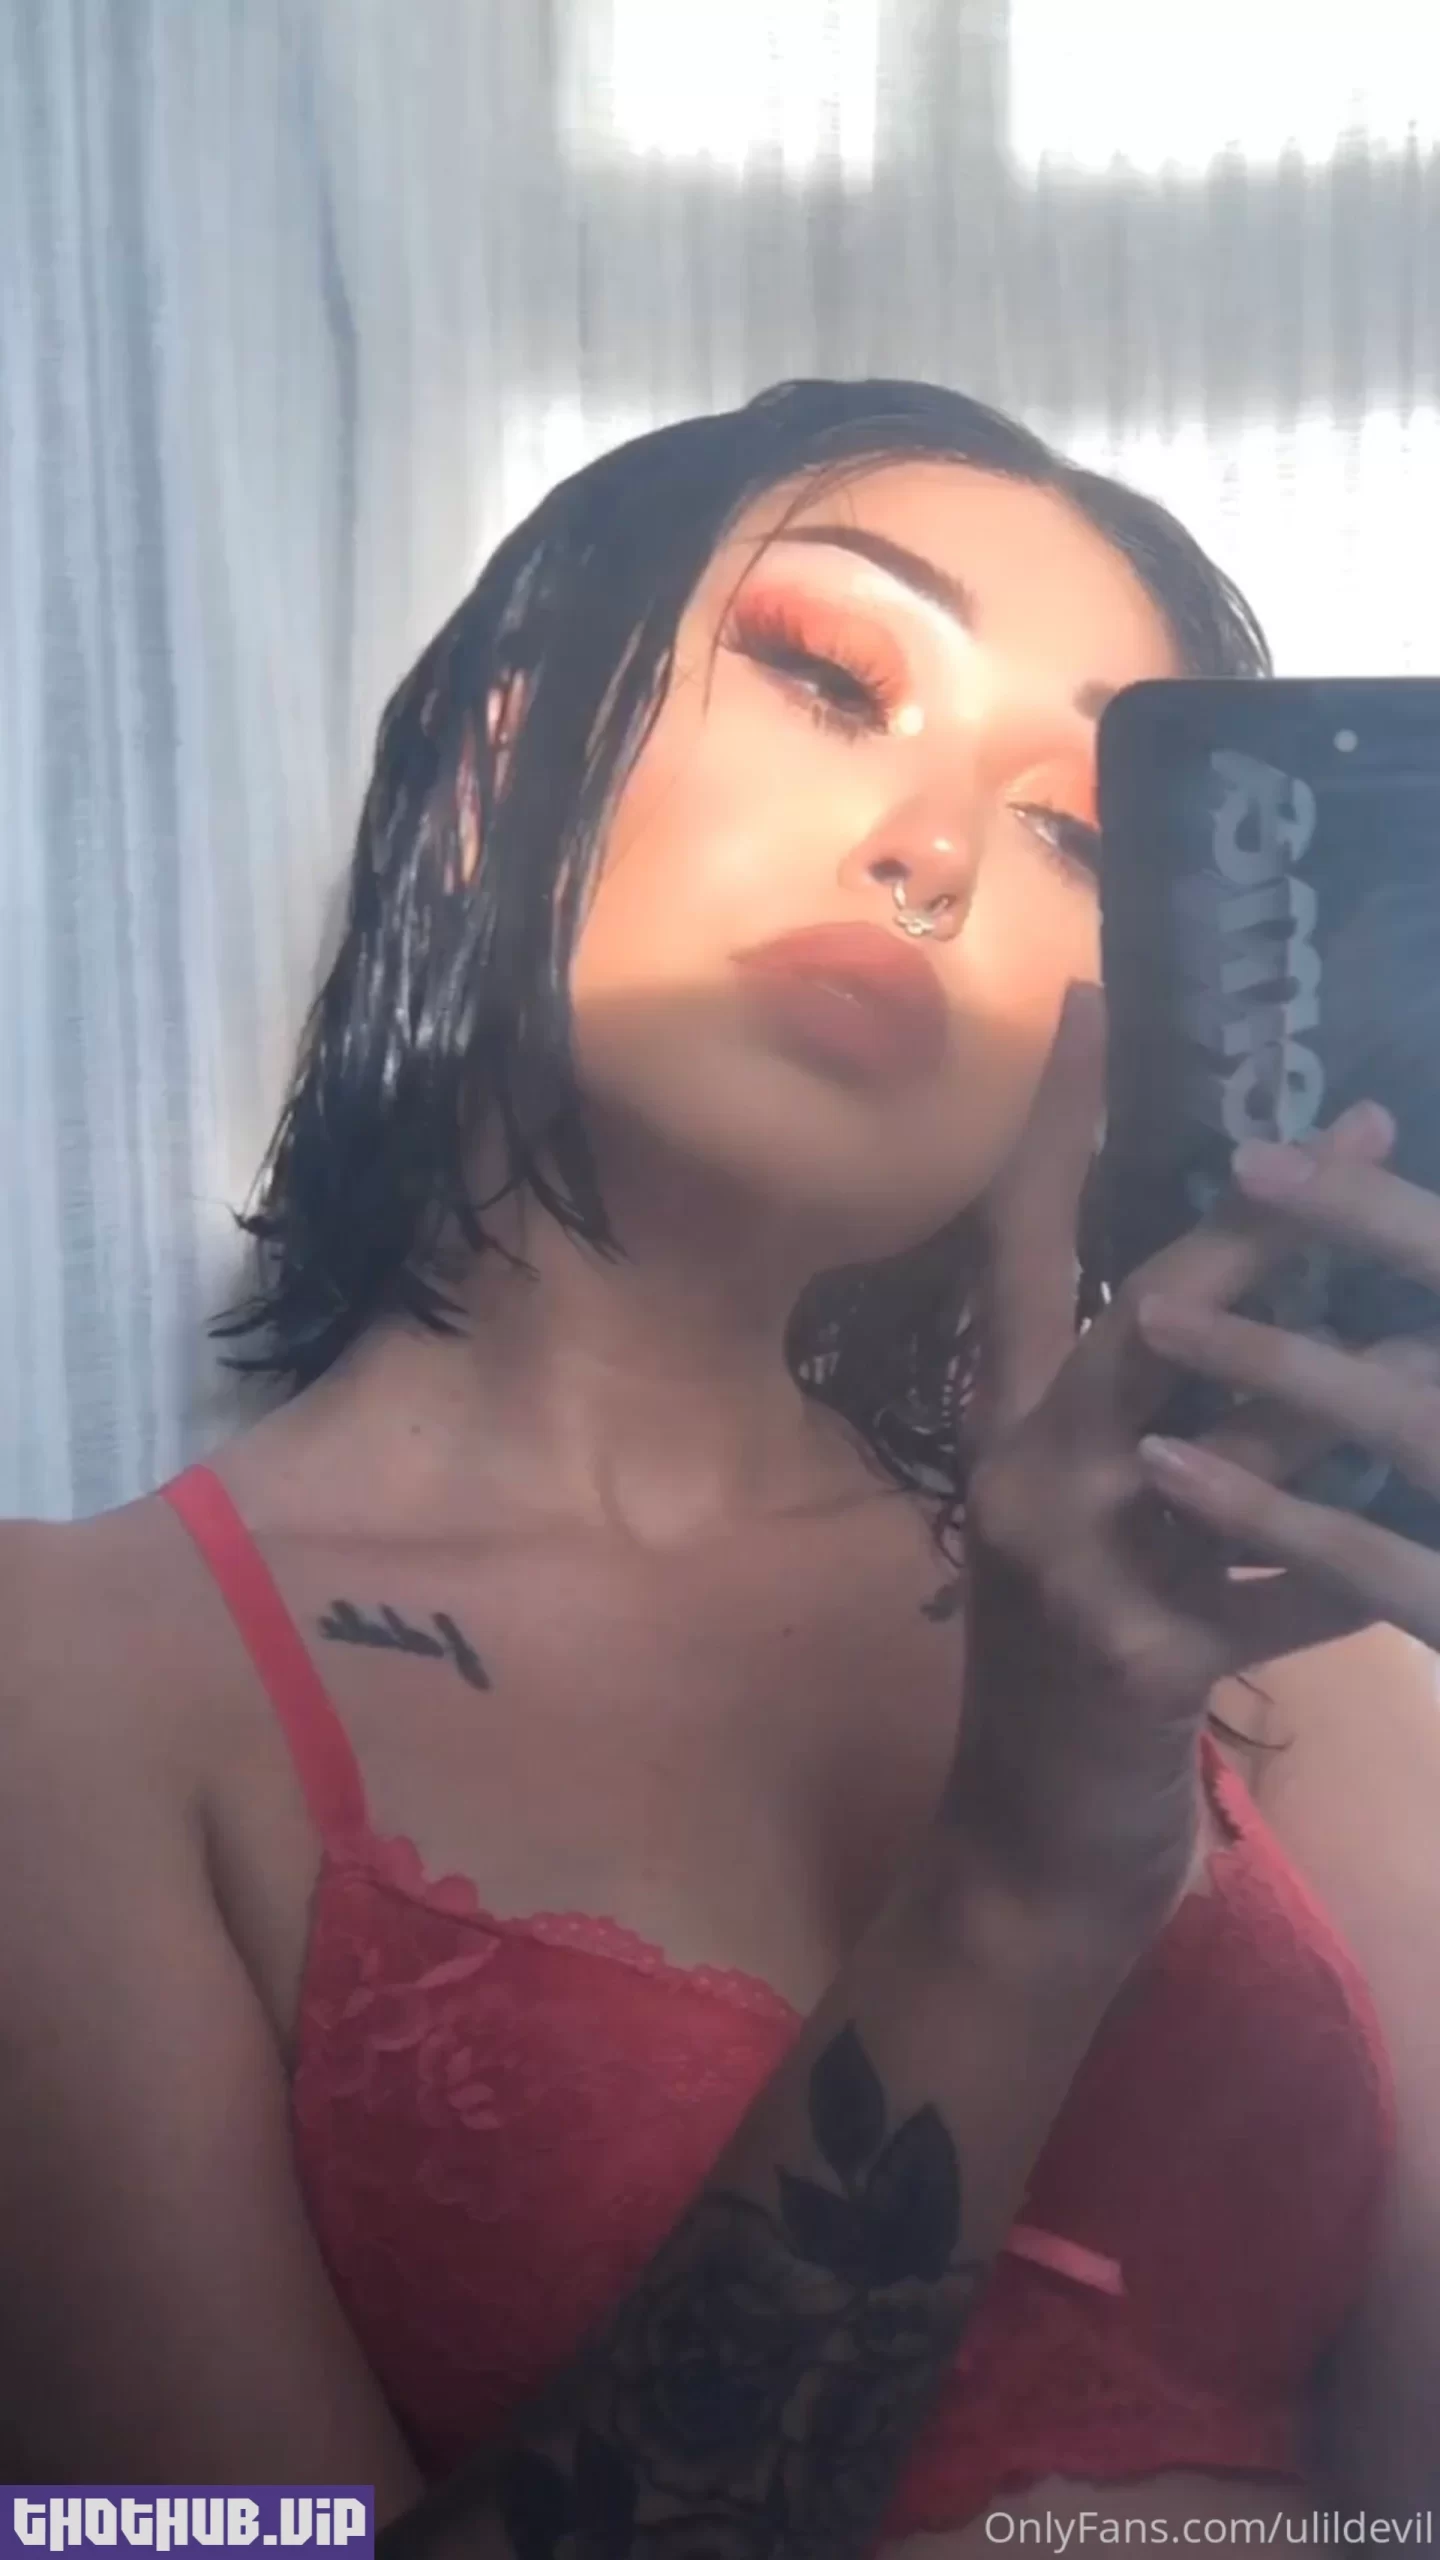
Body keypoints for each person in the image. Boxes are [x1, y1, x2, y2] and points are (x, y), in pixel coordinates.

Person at [2, 379, 1437, 2555]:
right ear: (497, 771)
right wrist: (1028, 1884)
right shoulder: (75, 1684)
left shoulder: (1248, 1614)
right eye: (830, 676)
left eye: (1071, 828)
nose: (934, 849)